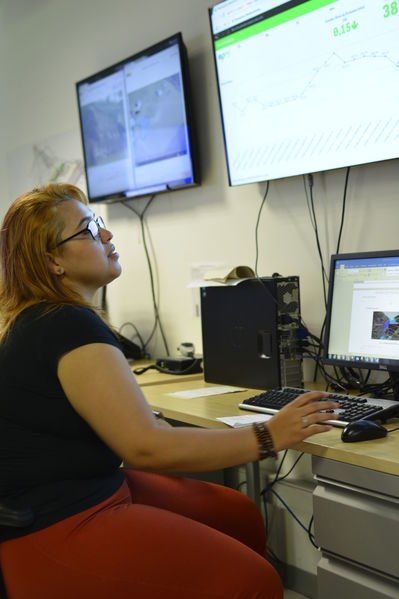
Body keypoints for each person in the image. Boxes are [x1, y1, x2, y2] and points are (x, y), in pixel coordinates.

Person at [0, 183, 337, 599]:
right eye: (89, 229)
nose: (107, 236)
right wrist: (269, 436)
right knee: (254, 582)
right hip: (56, 522)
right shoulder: (65, 325)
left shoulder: (43, 320)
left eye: (101, 224)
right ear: (52, 260)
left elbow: (122, 427)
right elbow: (145, 450)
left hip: (84, 489)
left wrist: (153, 427)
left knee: (239, 514)